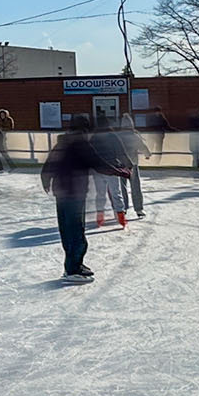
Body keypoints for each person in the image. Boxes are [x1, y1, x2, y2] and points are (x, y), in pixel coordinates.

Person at [41, 115, 132, 284]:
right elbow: (98, 164)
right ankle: (72, 269)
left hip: (61, 191)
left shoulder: (63, 142)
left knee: (67, 229)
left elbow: (50, 163)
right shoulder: (81, 144)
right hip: (74, 192)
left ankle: (75, 264)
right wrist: (120, 172)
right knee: (75, 230)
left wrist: (45, 179)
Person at [90, 116, 130, 228]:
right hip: (112, 168)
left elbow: (89, 154)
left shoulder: (94, 137)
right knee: (116, 193)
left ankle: (100, 217)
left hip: (98, 169)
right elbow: (121, 151)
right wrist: (127, 164)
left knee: (100, 194)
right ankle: (121, 217)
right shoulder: (113, 136)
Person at [113, 116, 152, 218]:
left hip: (120, 165)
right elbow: (142, 146)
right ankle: (139, 209)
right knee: (135, 187)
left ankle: (123, 208)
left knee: (122, 188)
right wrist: (147, 154)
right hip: (132, 164)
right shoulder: (134, 135)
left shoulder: (118, 136)